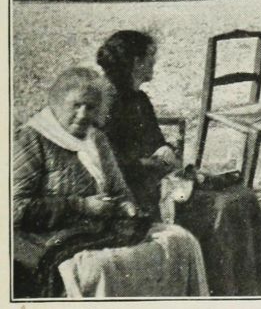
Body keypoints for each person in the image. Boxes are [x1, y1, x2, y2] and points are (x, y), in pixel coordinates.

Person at [96, 31, 261, 296]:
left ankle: (257, 286)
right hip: (135, 194)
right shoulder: (106, 104)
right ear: (136, 62)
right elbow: (108, 164)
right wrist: (150, 163)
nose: (154, 62)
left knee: (243, 196)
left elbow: (154, 140)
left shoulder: (139, 99)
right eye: (151, 56)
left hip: (159, 179)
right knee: (222, 207)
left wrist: (163, 150)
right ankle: (222, 290)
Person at [13, 68, 208, 298]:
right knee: (99, 270)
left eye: (90, 107)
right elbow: (14, 209)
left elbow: (119, 190)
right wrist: (81, 206)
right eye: (76, 105)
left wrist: (127, 206)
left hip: (101, 231)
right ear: (57, 104)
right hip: (48, 238)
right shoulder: (32, 139)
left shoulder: (96, 138)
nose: (83, 114)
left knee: (181, 241)